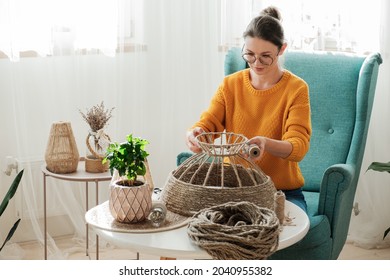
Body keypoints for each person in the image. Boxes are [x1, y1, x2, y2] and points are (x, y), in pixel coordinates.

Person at [185, 6, 312, 212]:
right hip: (233, 187)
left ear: (282, 49)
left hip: (281, 192)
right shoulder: (230, 85)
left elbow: (298, 147)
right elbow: (208, 124)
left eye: (265, 56)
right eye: (249, 54)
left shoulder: (296, 89)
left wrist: (266, 143)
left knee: (274, 230)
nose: (256, 63)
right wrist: (196, 134)